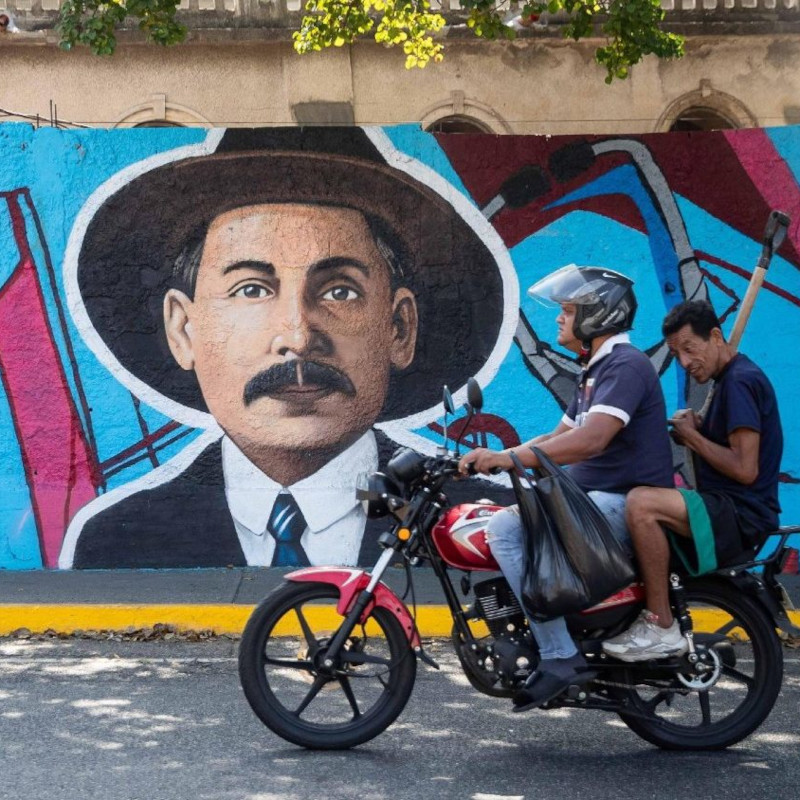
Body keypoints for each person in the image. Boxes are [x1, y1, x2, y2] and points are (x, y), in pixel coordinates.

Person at [58, 128, 514, 569]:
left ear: (398, 328)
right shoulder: (117, 538)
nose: (297, 339)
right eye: (251, 290)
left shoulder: (489, 522)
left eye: (340, 292)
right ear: (183, 329)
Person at [459, 264, 674, 710]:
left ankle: (560, 655)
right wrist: (501, 458)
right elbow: (557, 436)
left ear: (598, 316)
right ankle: (558, 640)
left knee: (504, 529)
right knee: (503, 522)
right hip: (591, 501)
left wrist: (509, 458)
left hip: (615, 503)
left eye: (569, 310)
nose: (559, 318)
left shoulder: (625, 366)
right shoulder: (595, 371)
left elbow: (591, 439)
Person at [602, 299, 783, 661]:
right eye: (676, 353)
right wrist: (702, 429)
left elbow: (746, 470)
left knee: (641, 502)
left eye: (690, 349)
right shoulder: (729, 380)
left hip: (741, 514)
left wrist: (693, 438)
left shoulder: (740, 383)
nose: (685, 362)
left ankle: (660, 624)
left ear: (716, 336)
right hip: (730, 508)